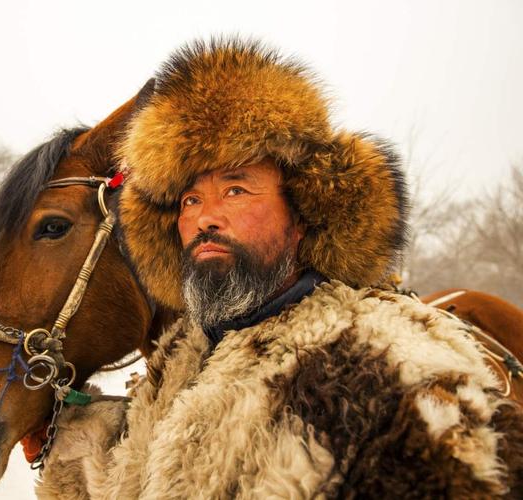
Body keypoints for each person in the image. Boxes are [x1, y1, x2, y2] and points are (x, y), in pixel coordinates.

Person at [37, 40, 523, 498]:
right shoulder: (182, 359)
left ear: (302, 216)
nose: (204, 217)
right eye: (190, 199)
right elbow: (133, 478)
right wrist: (68, 443)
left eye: (236, 190)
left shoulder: (383, 366)